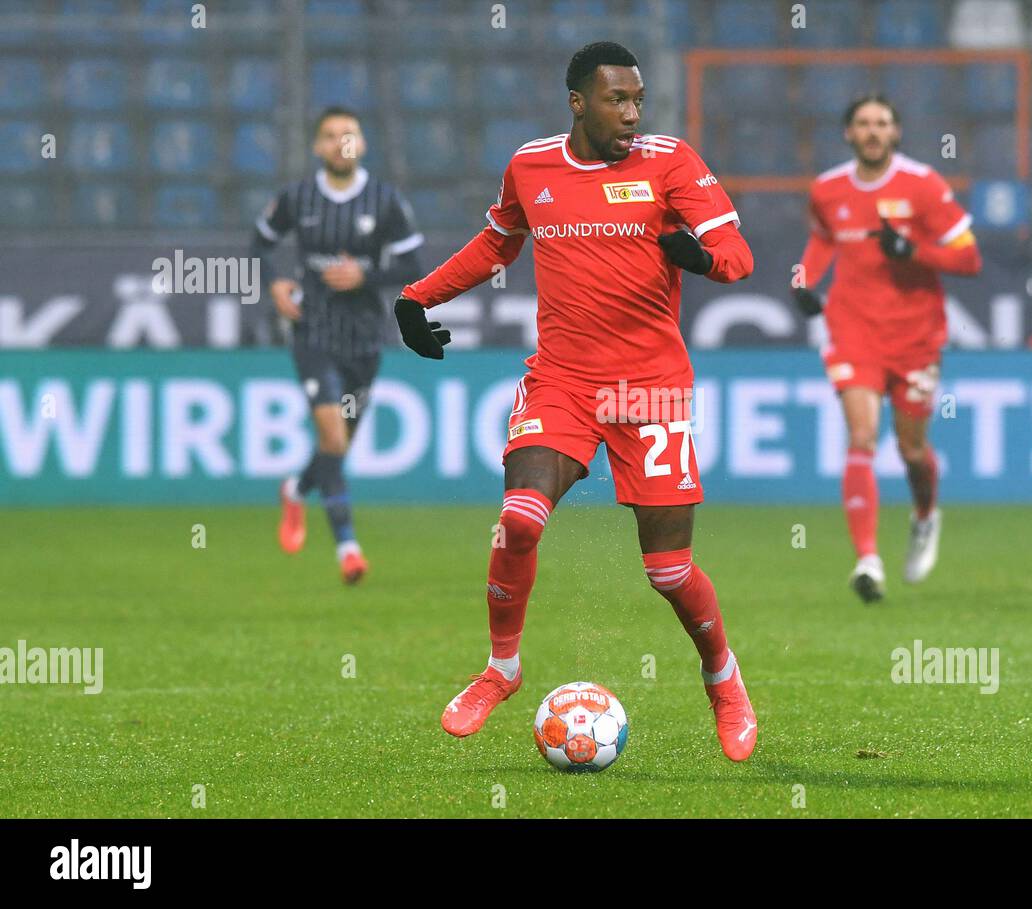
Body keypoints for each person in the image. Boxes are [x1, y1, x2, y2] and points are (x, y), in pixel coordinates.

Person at [393, 42, 759, 760]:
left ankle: (723, 677)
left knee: (669, 572)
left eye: (637, 101)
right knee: (518, 520)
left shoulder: (670, 162)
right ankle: (502, 669)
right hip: (563, 380)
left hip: (651, 388)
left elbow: (739, 255)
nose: (631, 114)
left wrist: (703, 258)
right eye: (617, 100)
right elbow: (496, 245)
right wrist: (416, 298)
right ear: (578, 103)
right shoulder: (532, 166)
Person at [792, 94, 982, 604]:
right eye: (862, 123)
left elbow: (970, 259)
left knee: (912, 450)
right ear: (848, 134)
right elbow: (820, 242)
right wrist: (804, 281)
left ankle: (924, 517)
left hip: (915, 335)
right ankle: (868, 560)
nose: (872, 131)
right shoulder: (827, 189)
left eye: (881, 123)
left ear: (896, 133)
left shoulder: (923, 184)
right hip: (853, 329)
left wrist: (914, 252)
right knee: (860, 436)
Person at [252, 107, 425, 584]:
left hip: (365, 337)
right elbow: (260, 243)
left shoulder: (385, 201)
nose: (339, 143)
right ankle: (348, 549)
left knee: (338, 446)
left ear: (362, 144)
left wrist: (366, 274)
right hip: (313, 332)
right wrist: (276, 284)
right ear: (317, 147)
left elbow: (414, 265)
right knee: (331, 438)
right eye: (329, 136)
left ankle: (295, 487)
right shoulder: (297, 198)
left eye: (348, 134)